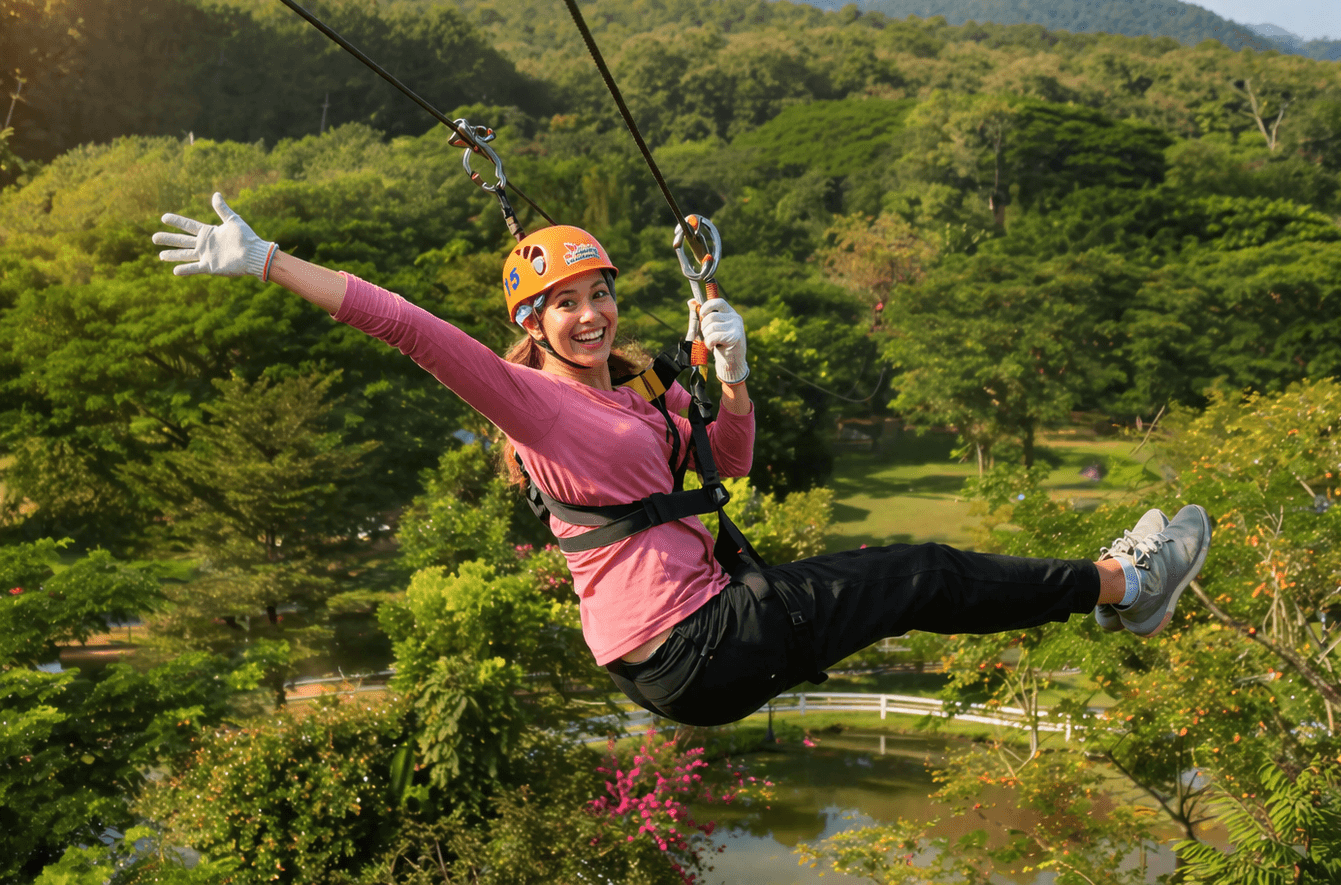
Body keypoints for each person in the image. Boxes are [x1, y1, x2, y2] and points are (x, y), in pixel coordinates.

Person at [153, 194, 1212, 728]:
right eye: (561, 304)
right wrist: (268, 263)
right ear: (530, 322)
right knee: (921, 572)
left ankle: (1118, 589)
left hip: (703, 626)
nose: (586, 313)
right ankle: (1126, 588)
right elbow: (415, 330)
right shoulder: (532, 404)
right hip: (684, 644)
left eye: (597, 292)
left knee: (915, 580)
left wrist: (733, 373)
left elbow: (728, 471)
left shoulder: (647, 384)